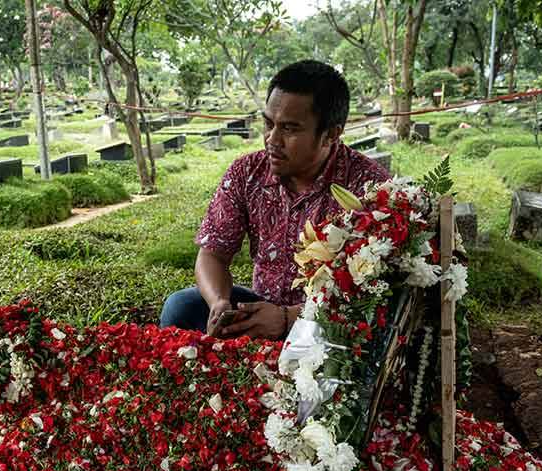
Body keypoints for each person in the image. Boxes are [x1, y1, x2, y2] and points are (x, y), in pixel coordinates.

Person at [159, 60, 390, 340]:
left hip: (330, 321)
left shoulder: (369, 188)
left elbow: (378, 294)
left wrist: (288, 319)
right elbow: (212, 254)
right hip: (260, 306)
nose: (272, 139)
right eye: (268, 123)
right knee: (182, 307)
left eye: (290, 129)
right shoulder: (247, 172)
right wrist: (219, 302)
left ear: (331, 134)